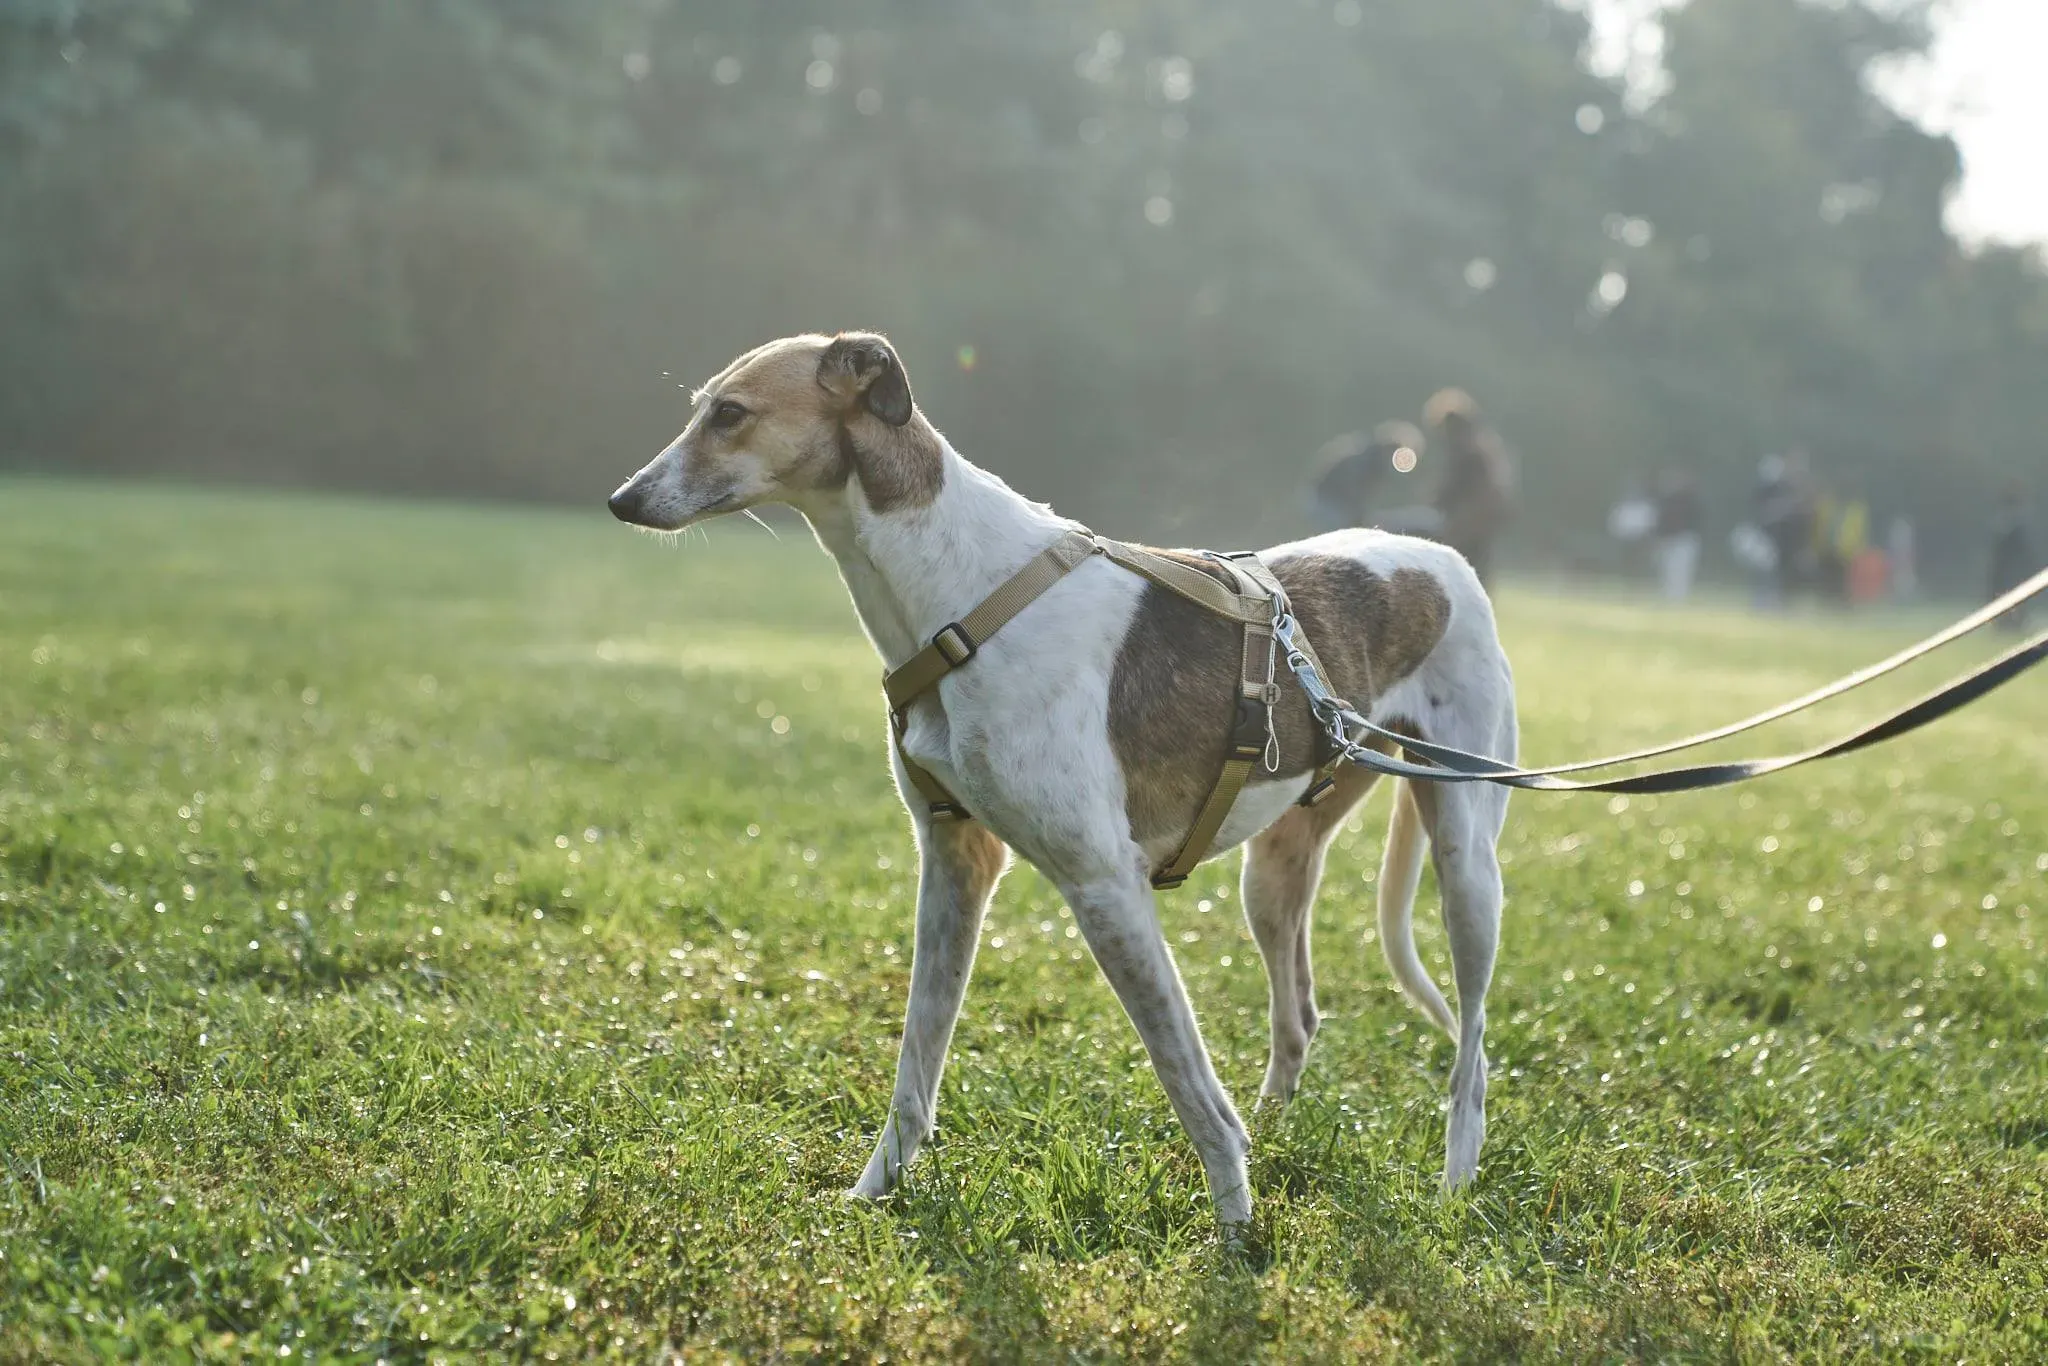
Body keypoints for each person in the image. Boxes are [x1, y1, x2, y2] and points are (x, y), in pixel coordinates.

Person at [1423, 388, 1516, 587]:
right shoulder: (1485, 446)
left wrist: (1437, 502)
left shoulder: (1467, 451)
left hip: (1466, 522)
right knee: (1477, 575)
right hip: (1482, 521)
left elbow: (1453, 489)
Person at [1305, 422, 1425, 533]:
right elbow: (1350, 487)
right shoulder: (1362, 459)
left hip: (1332, 500)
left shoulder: (1374, 463)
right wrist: (1359, 517)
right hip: (1324, 500)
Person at [1988, 485, 2038, 632]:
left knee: (2005, 594)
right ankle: (2012, 622)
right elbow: (2023, 548)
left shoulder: (2001, 521)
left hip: (2004, 568)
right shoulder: (2015, 523)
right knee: (2015, 594)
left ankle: (2008, 622)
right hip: (2012, 569)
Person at [1651, 469, 1703, 602]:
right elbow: (1660, 523)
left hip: (1684, 540)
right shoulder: (1664, 501)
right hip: (1667, 540)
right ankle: (1668, 596)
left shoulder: (1689, 501)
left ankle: (1679, 598)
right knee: (1666, 570)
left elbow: (1694, 523)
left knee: (1681, 571)